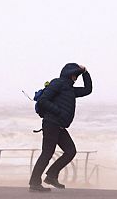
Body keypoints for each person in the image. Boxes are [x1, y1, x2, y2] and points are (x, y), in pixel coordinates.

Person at [29, 63, 92, 192]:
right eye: (75, 75)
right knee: (47, 153)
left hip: (59, 126)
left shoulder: (70, 90)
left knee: (70, 151)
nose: (76, 78)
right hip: (51, 123)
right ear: (70, 74)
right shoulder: (57, 83)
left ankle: (51, 175)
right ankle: (34, 183)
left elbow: (87, 90)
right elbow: (43, 101)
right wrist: (58, 112)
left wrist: (85, 73)